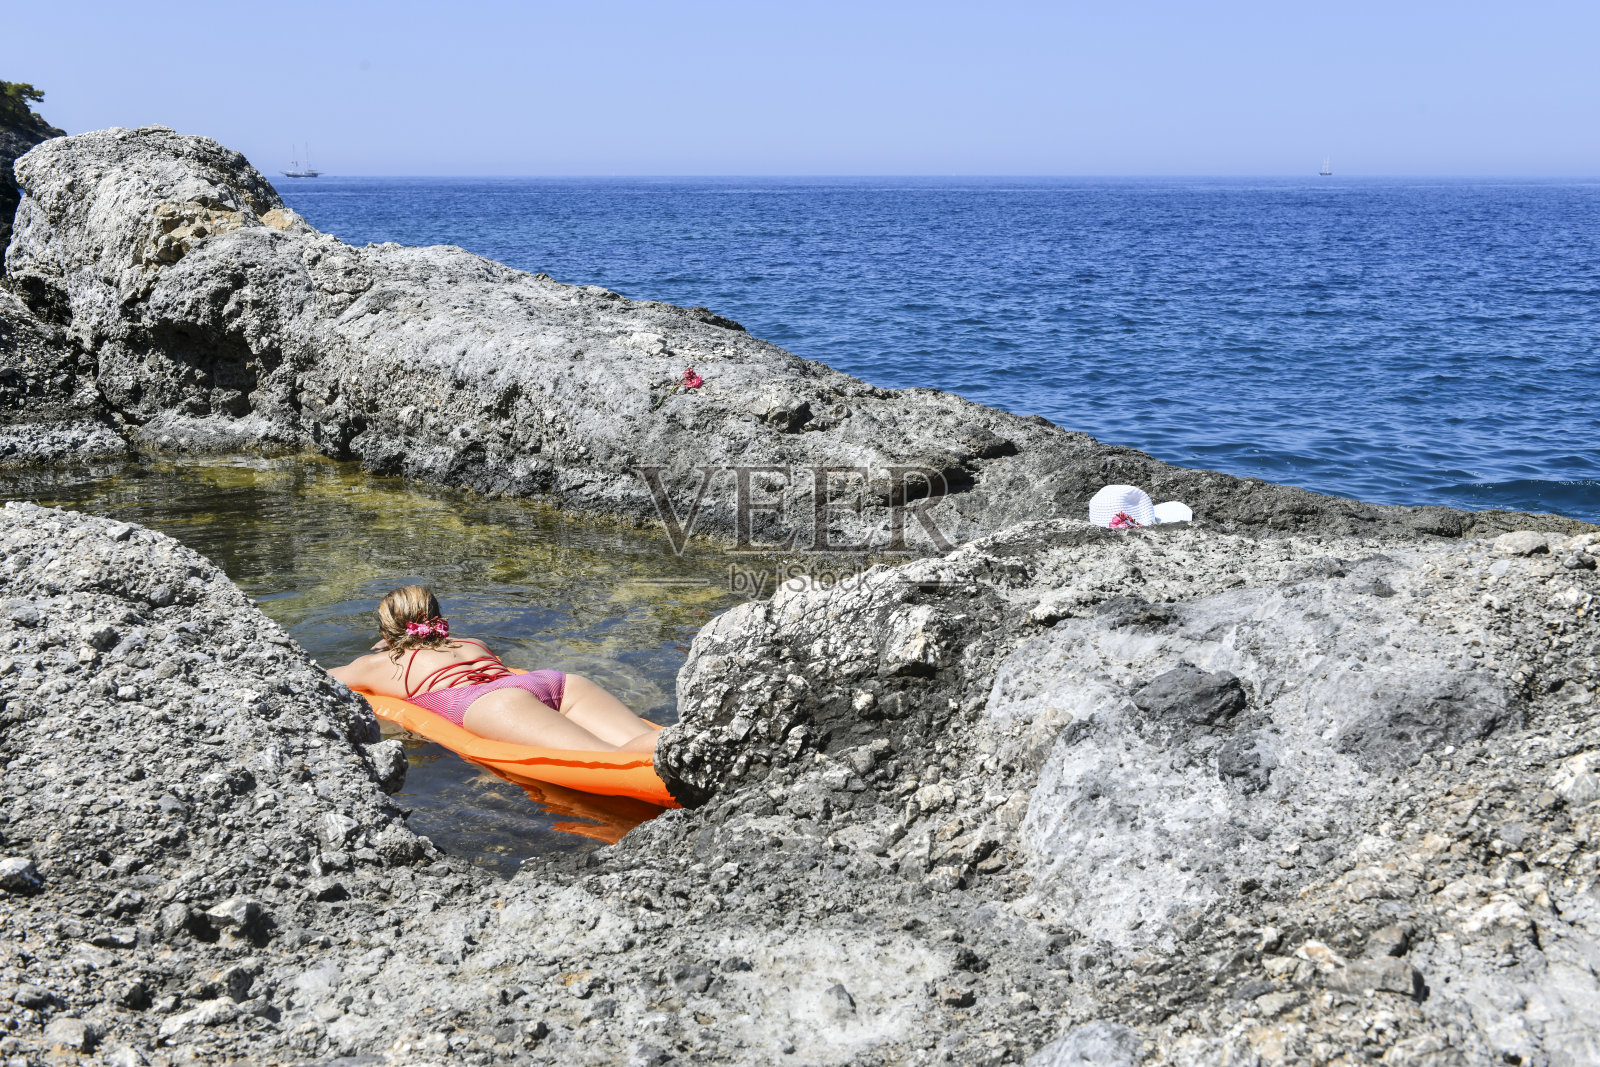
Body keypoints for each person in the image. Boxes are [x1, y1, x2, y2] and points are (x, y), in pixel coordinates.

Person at [328, 585, 659, 754]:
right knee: (646, 741)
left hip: (493, 703)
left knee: (609, 758)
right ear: (438, 618)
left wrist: (385, 651)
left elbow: (316, 680)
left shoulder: (378, 664)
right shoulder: (471, 643)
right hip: (556, 683)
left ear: (387, 634)